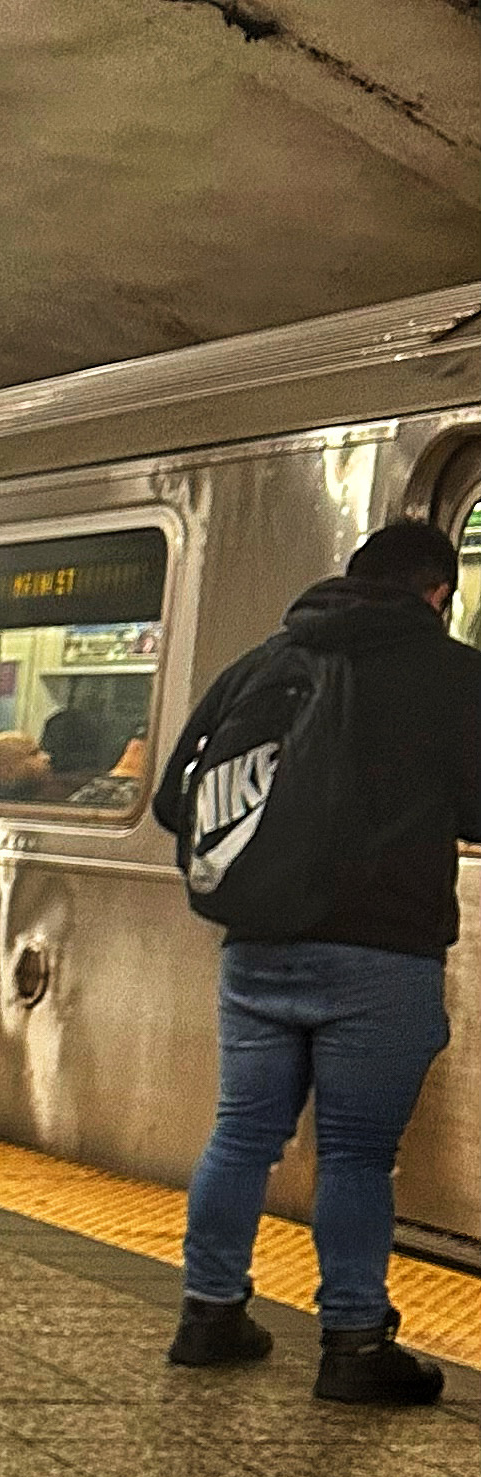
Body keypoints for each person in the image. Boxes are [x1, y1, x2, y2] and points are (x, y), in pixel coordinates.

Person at [155, 515, 480, 1403]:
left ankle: (209, 1313)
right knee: (355, 1156)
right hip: (381, 954)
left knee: (243, 1133)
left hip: (259, 950)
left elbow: (170, 800)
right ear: (437, 595)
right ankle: (352, 1343)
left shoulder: (267, 661)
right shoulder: (453, 675)